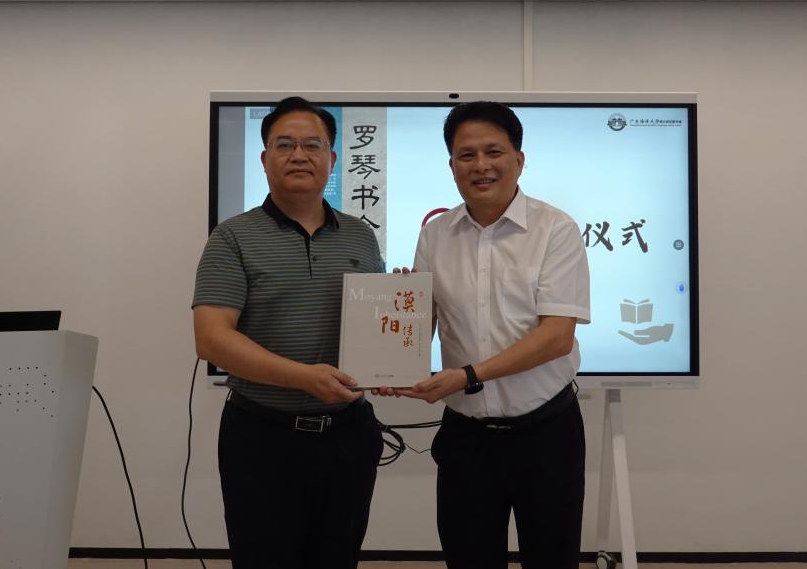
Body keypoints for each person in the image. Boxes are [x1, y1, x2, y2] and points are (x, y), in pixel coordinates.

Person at [395, 101, 591, 569]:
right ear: (452, 166)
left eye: (493, 152)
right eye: (467, 155)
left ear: (518, 160)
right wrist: (398, 322)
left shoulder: (555, 229)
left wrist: (468, 375)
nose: (480, 165)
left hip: (546, 433)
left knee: (553, 560)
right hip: (466, 439)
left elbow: (556, 337)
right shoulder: (435, 235)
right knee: (468, 559)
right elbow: (424, 326)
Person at [192, 96, 384, 569]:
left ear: (332, 159)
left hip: (349, 436)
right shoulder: (231, 237)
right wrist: (303, 377)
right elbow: (212, 339)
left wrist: (405, 313)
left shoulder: (361, 235)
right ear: (264, 159)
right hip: (262, 438)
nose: (299, 155)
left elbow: (375, 331)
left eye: (312, 145)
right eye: (285, 145)